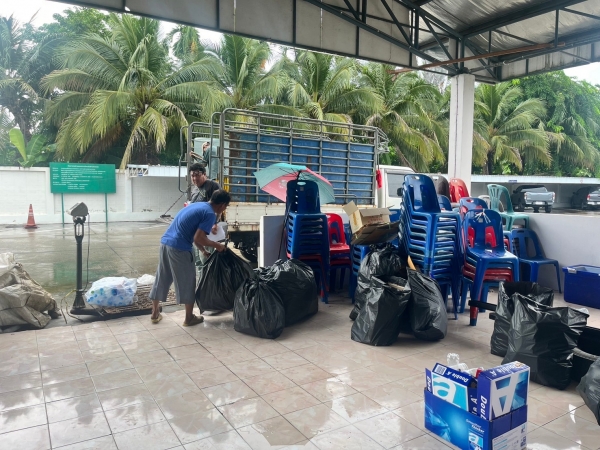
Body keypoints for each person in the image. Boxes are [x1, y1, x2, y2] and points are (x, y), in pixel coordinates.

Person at [149, 190, 231, 326]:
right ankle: (189, 318)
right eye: (226, 207)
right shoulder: (210, 214)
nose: (224, 209)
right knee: (188, 281)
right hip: (179, 248)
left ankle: (154, 313)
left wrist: (202, 250)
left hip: (165, 243)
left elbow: (192, 232)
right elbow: (198, 238)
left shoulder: (196, 205)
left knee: (162, 277)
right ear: (222, 205)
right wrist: (217, 245)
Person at [188, 163, 222, 263]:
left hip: (207, 230)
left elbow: (219, 205)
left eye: (197, 175)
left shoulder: (212, 185)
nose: (194, 178)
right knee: (197, 260)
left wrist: (215, 223)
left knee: (206, 259)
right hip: (195, 231)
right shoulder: (194, 190)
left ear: (204, 174)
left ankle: (207, 273)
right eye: (192, 176)